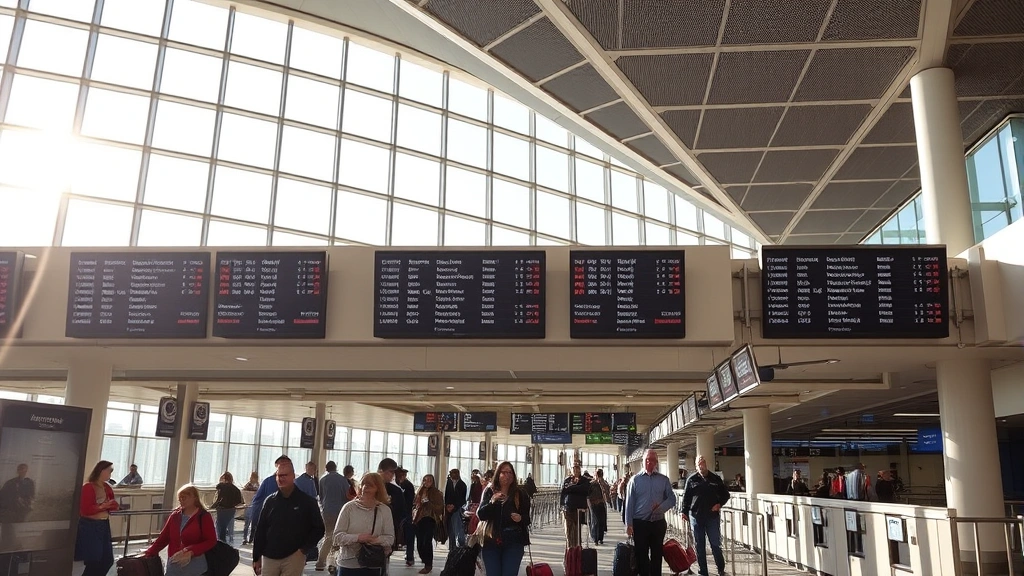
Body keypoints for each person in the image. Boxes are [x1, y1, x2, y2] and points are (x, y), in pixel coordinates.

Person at [252, 456, 326, 576]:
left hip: (294, 556)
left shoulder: (307, 502)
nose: (281, 479)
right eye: (279, 476)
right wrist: (256, 557)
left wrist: (303, 549)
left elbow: (319, 528)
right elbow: (261, 529)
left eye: (284, 475)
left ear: (293, 476)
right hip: (269, 556)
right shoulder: (270, 501)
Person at [143, 484, 218, 576]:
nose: (181, 501)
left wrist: (191, 550)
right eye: (180, 498)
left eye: (184, 498)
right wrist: (149, 552)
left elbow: (211, 540)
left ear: (194, 497)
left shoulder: (203, 516)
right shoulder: (175, 516)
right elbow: (163, 538)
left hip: (195, 565)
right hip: (175, 563)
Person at [625, 450, 677, 576]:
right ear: (642, 461)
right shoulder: (635, 480)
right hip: (640, 523)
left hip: (658, 523)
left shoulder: (663, 480)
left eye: (652, 459)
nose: (649, 462)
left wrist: (661, 507)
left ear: (656, 462)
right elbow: (629, 503)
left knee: (657, 555)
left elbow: (672, 499)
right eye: (647, 459)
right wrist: (629, 524)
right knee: (641, 555)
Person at [332, 472, 396, 576]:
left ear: (378, 488)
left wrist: (374, 540)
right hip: (348, 564)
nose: (365, 487)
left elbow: (390, 538)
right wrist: (358, 538)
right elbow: (337, 537)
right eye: (363, 484)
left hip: (373, 563)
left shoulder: (384, 510)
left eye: (370, 485)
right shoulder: (349, 508)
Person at [476, 461, 531, 576]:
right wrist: (492, 501)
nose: (507, 475)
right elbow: (481, 515)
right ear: (498, 474)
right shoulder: (489, 491)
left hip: (514, 542)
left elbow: (527, 519)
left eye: (510, 472)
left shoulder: (520, 494)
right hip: (491, 541)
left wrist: (520, 518)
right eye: (504, 472)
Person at [681, 455, 730, 576]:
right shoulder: (691, 480)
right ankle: (703, 571)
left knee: (715, 544)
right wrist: (683, 512)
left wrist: (719, 504)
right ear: (696, 466)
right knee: (699, 545)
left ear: (706, 464)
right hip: (696, 517)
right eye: (698, 464)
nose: (700, 466)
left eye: (702, 463)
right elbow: (686, 498)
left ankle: (721, 568)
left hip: (712, 517)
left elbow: (726, 495)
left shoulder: (715, 478)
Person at [74, 460, 119, 576]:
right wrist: (103, 506)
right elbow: (85, 510)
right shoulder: (89, 487)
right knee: (94, 560)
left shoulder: (107, 487)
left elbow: (113, 505)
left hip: (103, 524)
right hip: (90, 525)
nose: (110, 474)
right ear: (101, 471)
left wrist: (109, 506)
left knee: (107, 560)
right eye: (109, 471)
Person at [317, 461, 353, 572]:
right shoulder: (342, 479)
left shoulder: (322, 480)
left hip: (326, 511)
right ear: (336, 468)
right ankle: (329, 561)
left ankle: (322, 561)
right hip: (340, 511)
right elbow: (347, 495)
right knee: (338, 536)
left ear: (326, 468)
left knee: (328, 535)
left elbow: (321, 496)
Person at [411, 474, 444, 573]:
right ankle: (425, 559)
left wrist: (429, 503)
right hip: (419, 519)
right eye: (425, 480)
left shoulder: (437, 493)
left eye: (429, 480)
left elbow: (440, 507)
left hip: (430, 519)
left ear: (433, 481)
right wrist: (417, 506)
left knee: (427, 542)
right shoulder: (419, 491)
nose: (427, 482)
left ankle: (428, 565)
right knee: (420, 543)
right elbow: (414, 504)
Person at [377, 458, 406, 553]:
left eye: (394, 472)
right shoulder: (370, 487)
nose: (392, 475)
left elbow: (401, 511)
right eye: (390, 472)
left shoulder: (396, 490)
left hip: (387, 530)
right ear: (381, 471)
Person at [560, 463, 591, 548]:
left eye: (577, 468)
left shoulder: (585, 480)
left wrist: (571, 488)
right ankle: (570, 547)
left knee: (577, 530)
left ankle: (577, 547)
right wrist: (562, 504)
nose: (575, 470)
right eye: (574, 469)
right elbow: (564, 491)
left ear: (580, 469)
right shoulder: (568, 480)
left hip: (579, 508)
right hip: (568, 508)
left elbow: (584, 489)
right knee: (569, 530)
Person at [212, 471, 244, 545]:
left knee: (219, 527)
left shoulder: (221, 486)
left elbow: (218, 497)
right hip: (231, 510)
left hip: (222, 509)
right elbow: (239, 501)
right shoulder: (236, 489)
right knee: (224, 527)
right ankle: (225, 542)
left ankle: (220, 543)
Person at [395, 467, 416, 566]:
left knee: (409, 536)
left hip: (407, 514)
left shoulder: (407, 486)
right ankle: (409, 556)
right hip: (401, 514)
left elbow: (410, 501)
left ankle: (410, 557)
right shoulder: (397, 485)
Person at [444, 468, 468, 548]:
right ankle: (452, 547)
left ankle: (459, 545)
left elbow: (462, 499)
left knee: (457, 527)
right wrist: (447, 505)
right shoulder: (449, 483)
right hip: (449, 509)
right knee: (450, 529)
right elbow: (447, 495)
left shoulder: (462, 485)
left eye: (453, 474)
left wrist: (455, 506)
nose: (451, 476)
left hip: (457, 509)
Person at [589, 468, 609, 545]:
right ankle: (595, 538)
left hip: (601, 504)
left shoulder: (604, 483)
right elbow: (588, 494)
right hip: (594, 504)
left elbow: (607, 493)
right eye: (597, 474)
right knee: (595, 521)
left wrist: (602, 483)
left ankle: (600, 538)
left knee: (601, 522)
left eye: (600, 474)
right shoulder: (592, 484)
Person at [242, 471, 261, 545]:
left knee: (253, 524)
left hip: (253, 506)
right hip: (251, 506)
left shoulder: (256, 485)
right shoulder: (251, 485)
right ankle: (246, 538)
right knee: (248, 524)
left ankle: (250, 538)